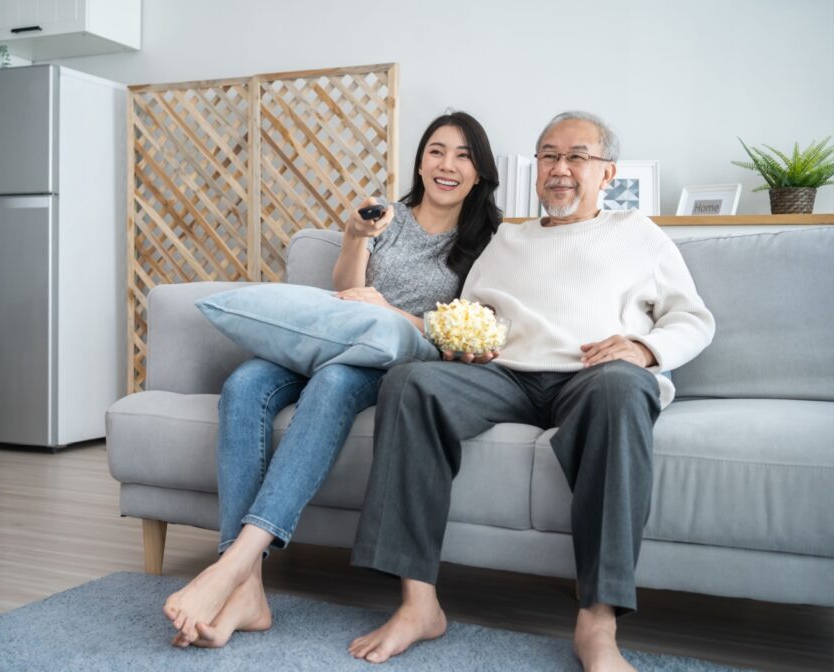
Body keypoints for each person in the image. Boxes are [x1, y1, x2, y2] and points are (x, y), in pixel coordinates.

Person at [348, 111, 716, 671]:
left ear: (607, 172)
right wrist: (461, 343)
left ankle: (597, 623)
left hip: (594, 374)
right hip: (507, 374)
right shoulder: (507, 239)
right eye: (549, 156)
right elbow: (469, 315)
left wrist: (645, 351)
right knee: (411, 382)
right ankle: (418, 603)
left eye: (576, 157)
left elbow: (694, 319)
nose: (560, 169)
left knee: (623, 390)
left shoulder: (638, 234)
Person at [163, 111, 502, 648]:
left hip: (393, 360)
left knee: (334, 383)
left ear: (479, 173)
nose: (447, 165)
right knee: (245, 384)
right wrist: (353, 236)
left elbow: (471, 332)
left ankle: (232, 566)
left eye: (463, 156)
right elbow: (346, 290)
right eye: (436, 151)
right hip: (335, 336)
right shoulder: (389, 216)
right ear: (420, 159)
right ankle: (247, 590)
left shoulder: (489, 240)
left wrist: (391, 312)